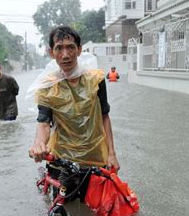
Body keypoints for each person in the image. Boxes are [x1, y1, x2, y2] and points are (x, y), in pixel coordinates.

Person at [28, 25, 120, 198]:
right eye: (59, 48)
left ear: (79, 50)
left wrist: (112, 154)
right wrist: (39, 144)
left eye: (70, 47)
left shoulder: (96, 79)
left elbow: (104, 116)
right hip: (61, 157)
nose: (65, 54)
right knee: (62, 204)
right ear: (51, 53)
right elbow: (43, 123)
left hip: (94, 156)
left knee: (95, 207)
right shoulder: (47, 86)